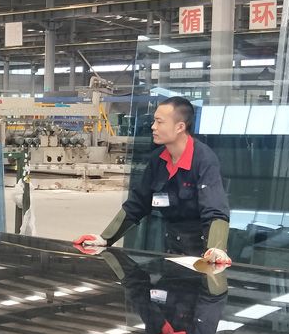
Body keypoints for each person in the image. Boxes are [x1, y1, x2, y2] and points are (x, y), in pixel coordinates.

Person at [74, 97, 231, 265]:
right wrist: (105, 238)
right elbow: (138, 203)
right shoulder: (158, 159)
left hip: (201, 256)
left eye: (159, 122)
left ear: (180, 127)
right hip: (171, 251)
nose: (153, 127)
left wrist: (216, 249)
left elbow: (215, 211)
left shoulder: (203, 160)